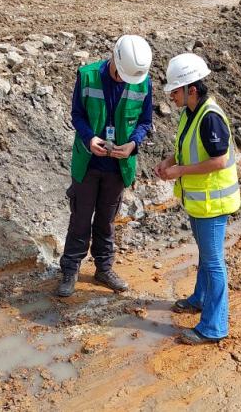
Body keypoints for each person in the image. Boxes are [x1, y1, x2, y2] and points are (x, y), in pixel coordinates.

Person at [56, 35, 154, 298]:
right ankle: (70, 269)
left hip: (118, 166)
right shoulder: (87, 76)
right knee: (80, 218)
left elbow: (145, 121)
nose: (123, 81)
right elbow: (77, 114)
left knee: (106, 221)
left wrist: (133, 143)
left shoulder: (142, 81)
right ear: (114, 59)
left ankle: (104, 268)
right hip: (88, 162)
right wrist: (90, 138)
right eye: (121, 75)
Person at [154, 53, 241, 345]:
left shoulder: (210, 117)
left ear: (192, 88)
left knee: (214, 262)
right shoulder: (192, 112)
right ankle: (199, 299)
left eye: (175, 91)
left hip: (213, 204)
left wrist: (180, 171)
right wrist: (169, 161)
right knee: (207, 256)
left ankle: (214, 327)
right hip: (200, 201)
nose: (171, 96)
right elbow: (186, 147)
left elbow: (218, 160)